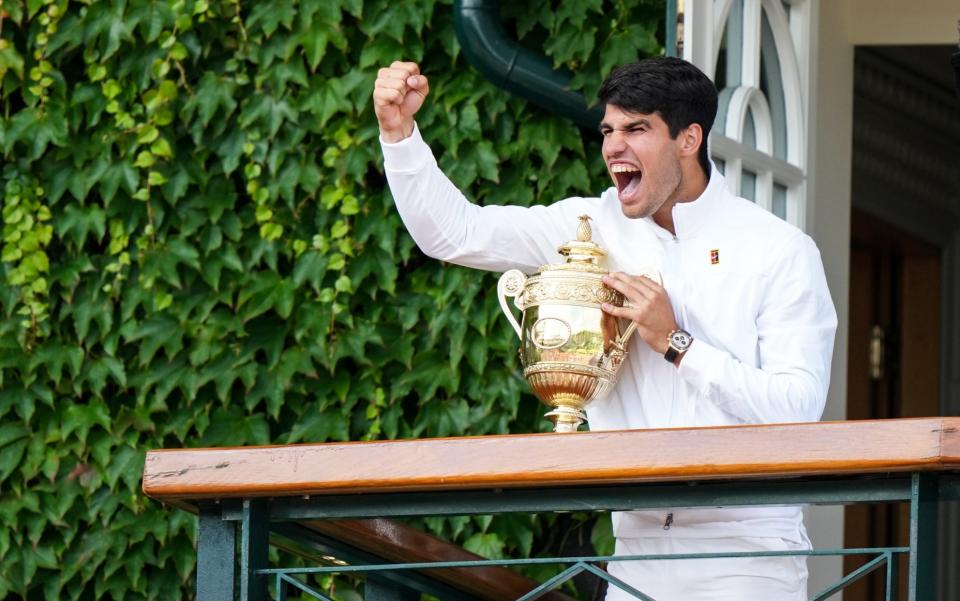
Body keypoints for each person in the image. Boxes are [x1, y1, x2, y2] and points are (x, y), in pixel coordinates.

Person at [373, 57, 837, 601]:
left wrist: (677, 344)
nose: (614, 146)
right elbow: (455, 234)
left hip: (749, 553)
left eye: (636, 129)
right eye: (608, 130)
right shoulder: (586, 227)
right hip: (633, 555)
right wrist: (399, 134)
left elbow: (798, 407)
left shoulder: (779, 249)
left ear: (689, 139)